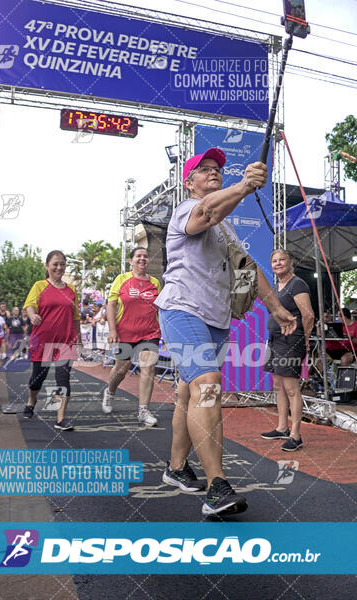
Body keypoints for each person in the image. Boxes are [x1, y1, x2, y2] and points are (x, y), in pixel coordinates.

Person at [154, 148, 297, 517]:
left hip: (215, 320)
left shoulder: (226, 227)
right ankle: (217, 487)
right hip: (182, 308)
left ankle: (175, 468)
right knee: (208, 384)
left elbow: (248, 269)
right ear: (190, 182)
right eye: (204, 170)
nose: (213, 172)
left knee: (189, 391)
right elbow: (207, 211)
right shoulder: (187, 209)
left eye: (217, 168)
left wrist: (278, 308)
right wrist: (245, 185)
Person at [22, 250, 82, 431]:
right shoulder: (40, 286)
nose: (59, 267)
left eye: (62, 264)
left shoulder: (71, 290)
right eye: (55, 264)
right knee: (37, 379)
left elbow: (76, 316)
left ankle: (60, 418)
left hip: (65, 341)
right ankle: (31, 401)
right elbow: (30, 305)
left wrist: (78, 338)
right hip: (42, 340)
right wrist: (33, 316)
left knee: (63, 378)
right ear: (47, 266)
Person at [261, 249, 314, 451]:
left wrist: (305, 339)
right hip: (274, 339)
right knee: (278, 386)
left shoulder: (297, 284)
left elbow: (308, 315)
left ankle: (296, 435)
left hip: (291, 340)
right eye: (274, 261)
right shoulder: (276, 286)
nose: (278, 263)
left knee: (292, 389)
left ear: (290, 262)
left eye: (282, 259)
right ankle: (282, 427)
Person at [103, 247, 162, 426]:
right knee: (122, 369)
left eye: (145, 256)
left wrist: (164, 332)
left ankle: (143, 410)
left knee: (148, 368)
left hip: (150, 332)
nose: (142, 259)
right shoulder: (121, 280)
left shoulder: (155, 283)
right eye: (138, 256)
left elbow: (159, 309)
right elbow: (111, 305)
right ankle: (110, 392)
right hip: (125, 332)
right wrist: (112, 330)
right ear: (131, 261)